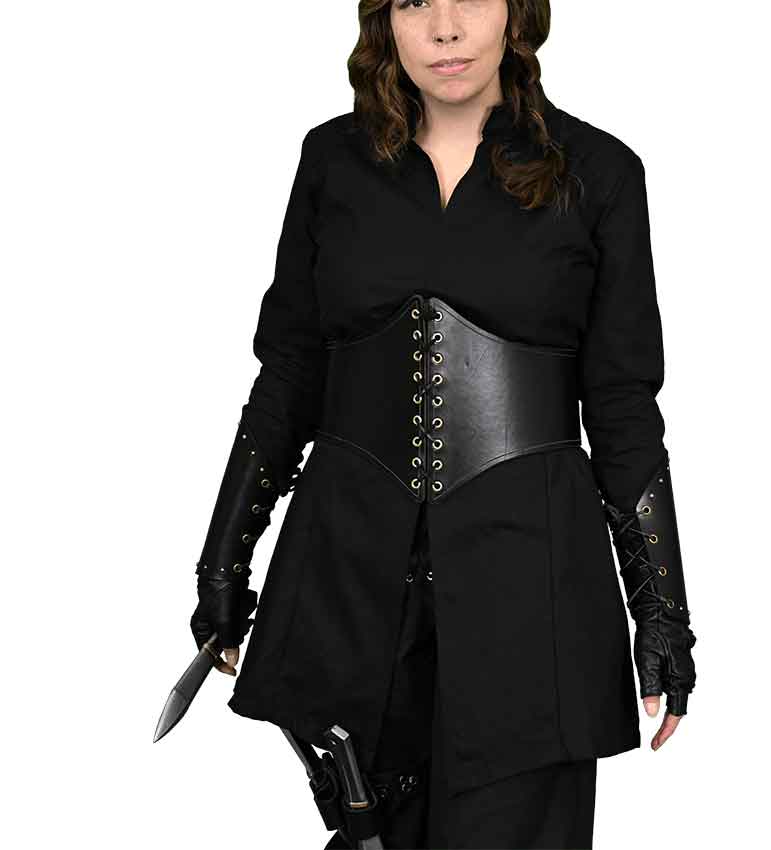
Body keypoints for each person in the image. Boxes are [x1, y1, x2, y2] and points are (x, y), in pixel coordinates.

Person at [188, 1, 698, 847]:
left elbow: (621, 407)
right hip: (349, 582)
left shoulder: (599, 172)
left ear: (517, 12)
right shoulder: (333, 161)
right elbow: (289, 374)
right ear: (384, 20)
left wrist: (664, 617)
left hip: (532, 593)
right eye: (415, 1)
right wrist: (222, 563)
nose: (446, 28)